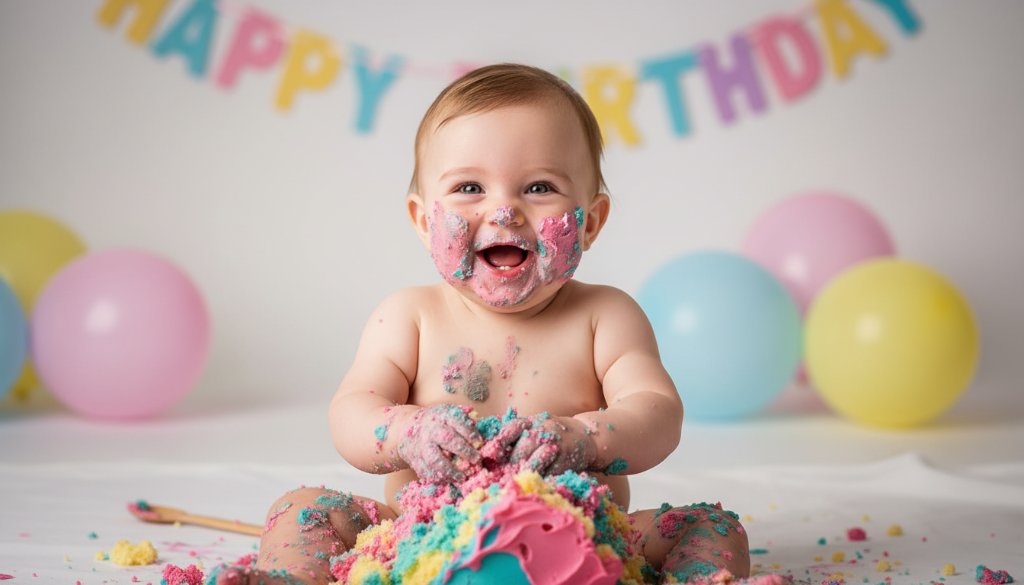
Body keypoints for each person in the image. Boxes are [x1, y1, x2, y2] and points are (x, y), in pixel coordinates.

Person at [214, 63, 750, 585]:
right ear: (425, 222)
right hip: (421, 539)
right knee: (304, 508)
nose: (504, 211)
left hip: (584, 538)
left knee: (711, 525)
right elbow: (351, 416)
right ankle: (287, 578)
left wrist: (585, 438)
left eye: (539, 187)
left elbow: (658, 415)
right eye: (470, 188)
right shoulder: (409, 316)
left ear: (591, 220)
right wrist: (407, 432)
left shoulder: (605, 316)